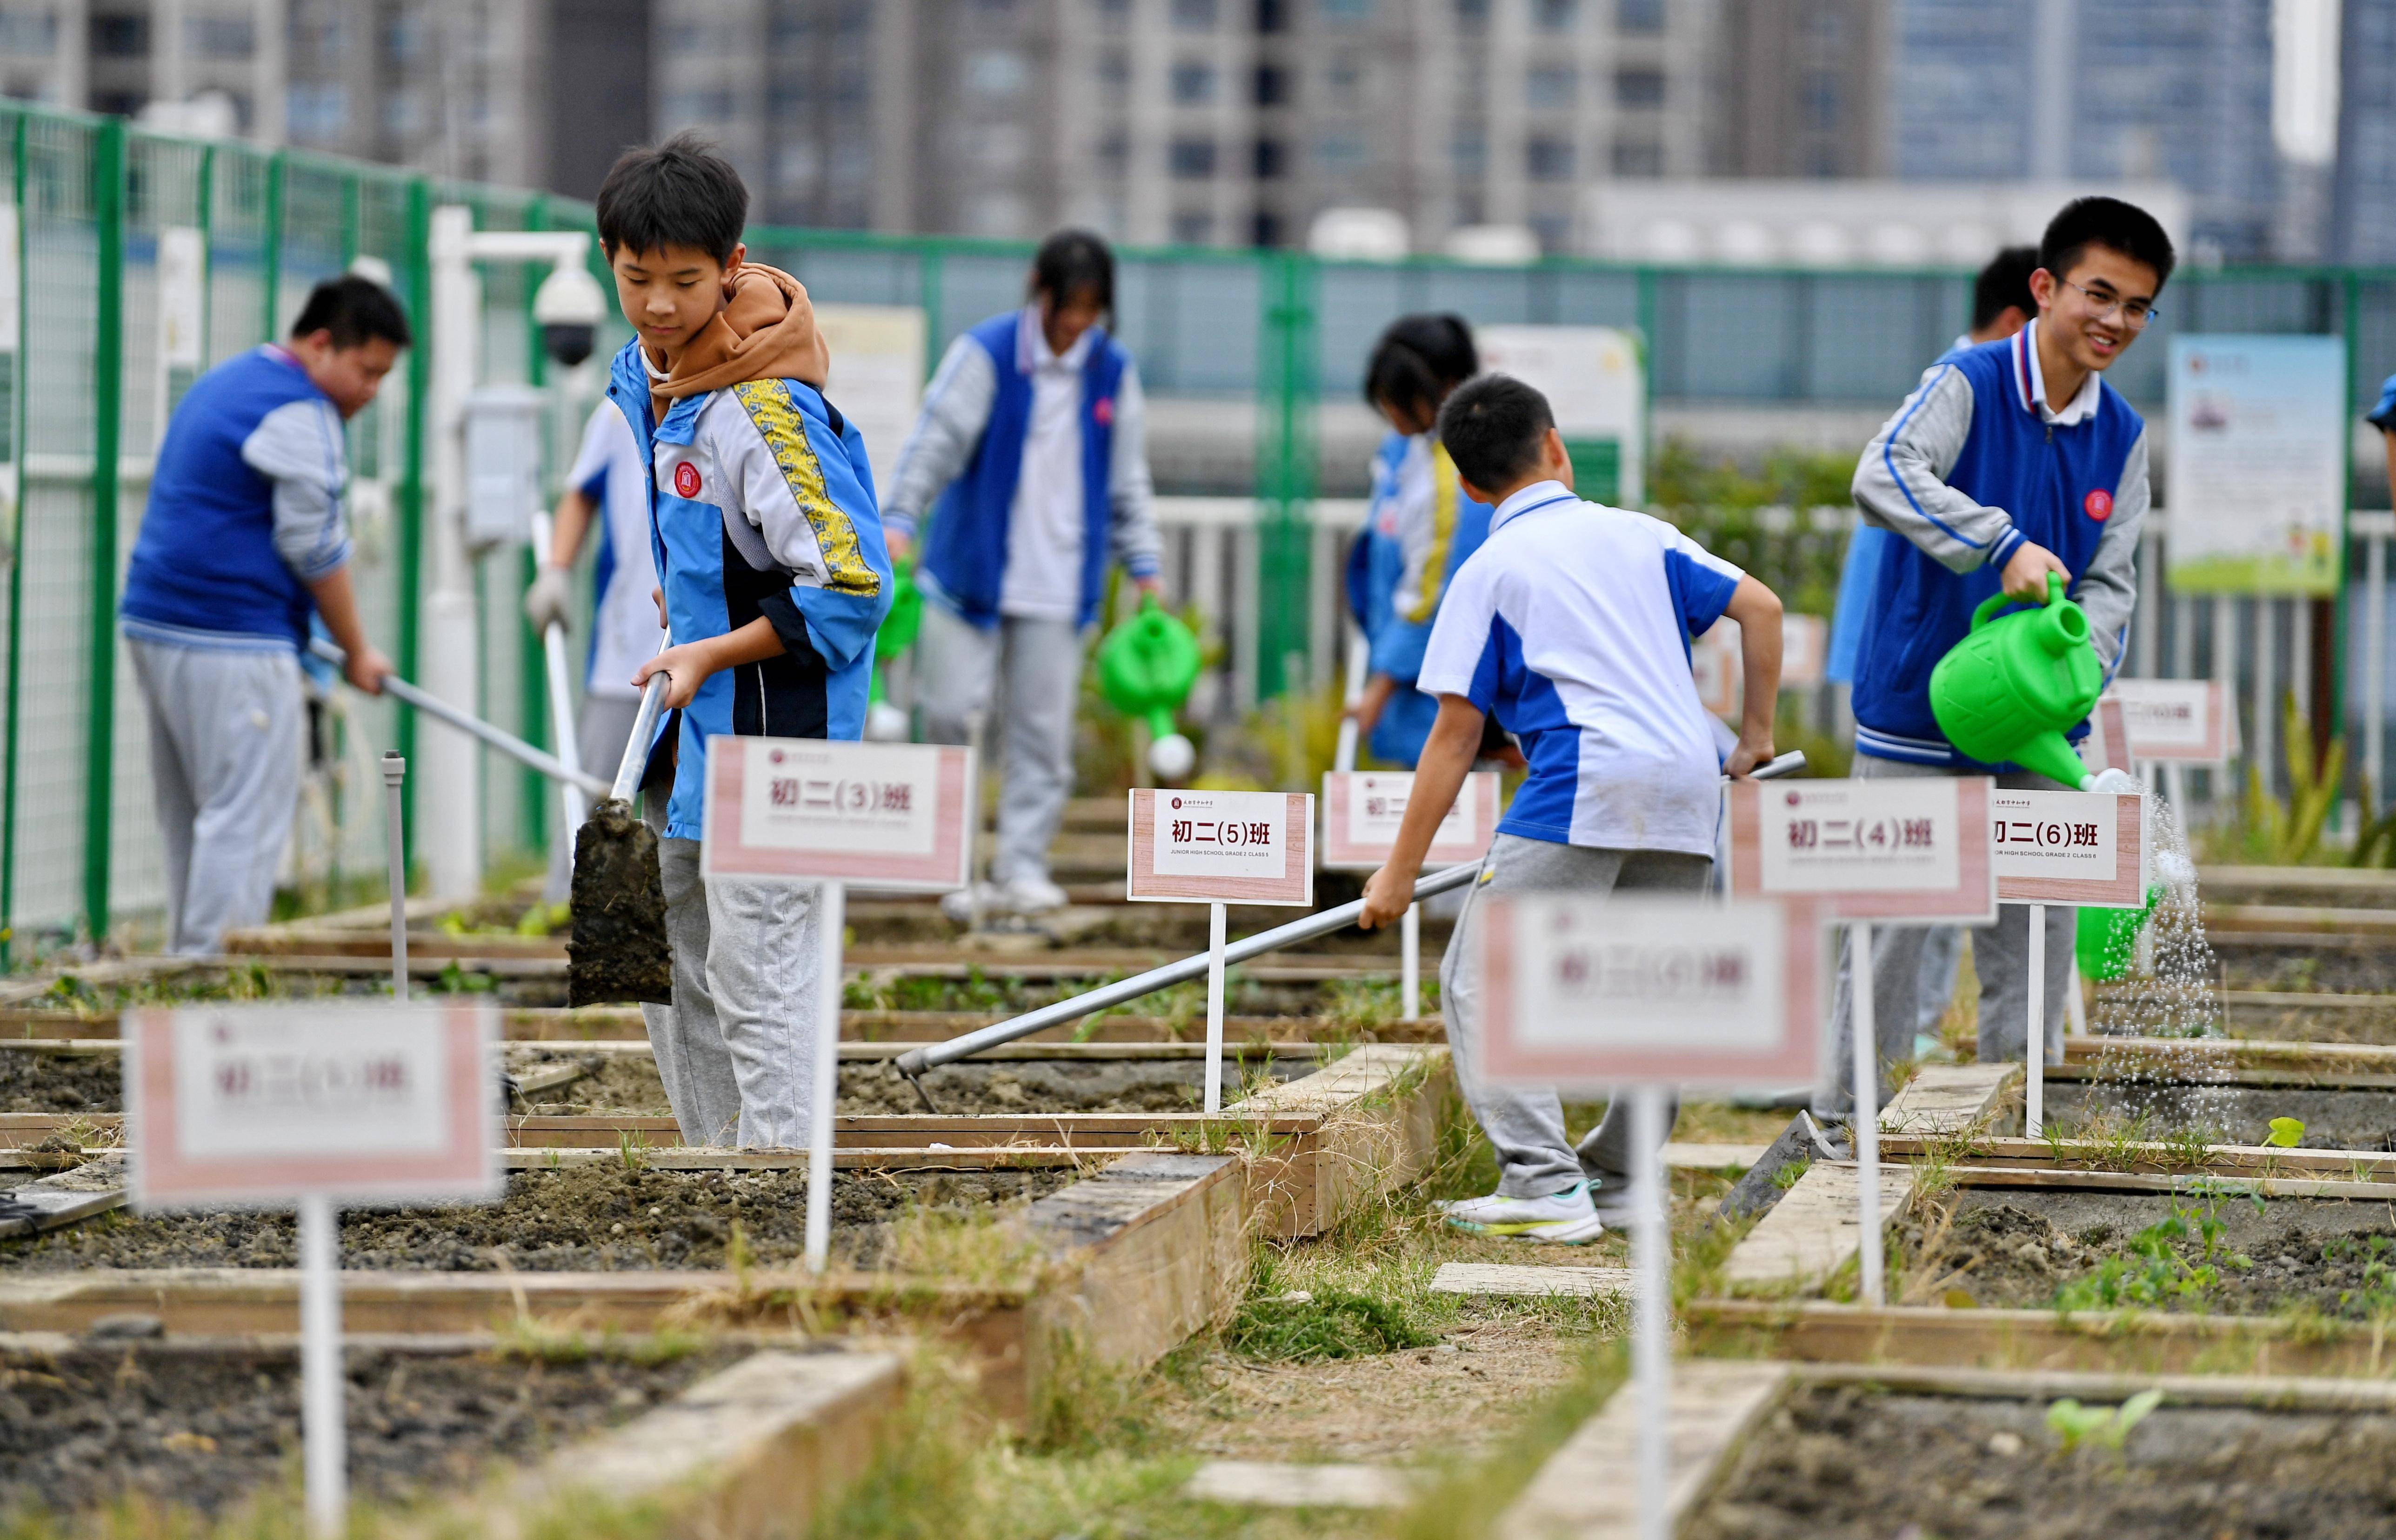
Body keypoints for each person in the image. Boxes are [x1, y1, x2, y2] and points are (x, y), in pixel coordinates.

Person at [1358, 374, 1785, 1241]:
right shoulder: (1643, 536)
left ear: (1470, 488)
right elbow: (1761, 608)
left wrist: (1396, 873)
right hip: (1686, 786)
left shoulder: (1489, 570)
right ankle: (1623, 1179)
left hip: (1585, 782)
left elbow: (1451, 737)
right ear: (1557, 446)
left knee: (1482, 979)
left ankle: (1545, 1184)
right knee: (1650, 992)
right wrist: (1755, 737)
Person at [1822, 197, 2170, 1124]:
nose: (2113, 321)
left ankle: (2014, 1114)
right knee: (1891, 929)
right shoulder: (1967, 382)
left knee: (2040, 924)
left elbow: (2112, 579)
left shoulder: (2123, 434)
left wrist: (2079, 671)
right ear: (2045, 287)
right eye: (2098, 294)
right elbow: (1882, 471)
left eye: (2137, 306)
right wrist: (1998, 543)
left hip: (2035, 719)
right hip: (1916, 705)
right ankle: (1845, 1124)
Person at [596, 133, 893, 1149]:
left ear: (731, 268)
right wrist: (688, 597)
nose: (661, 306)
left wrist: (712, 647)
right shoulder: (652, 378)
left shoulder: (764, 408)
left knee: (760, 964)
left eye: (686, 281)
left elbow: (854, 585)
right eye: (638, 280)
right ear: (610, 262)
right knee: (664, 951)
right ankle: (715, 1165)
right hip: (685, 738)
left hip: (774, 738)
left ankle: (777, 1189)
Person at [118, 274, 407, 955]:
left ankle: (187, 977)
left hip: (157, 621)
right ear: (319, 344)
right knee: (242, 816)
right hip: (229, 634)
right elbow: (313, 546)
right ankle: (214, 987)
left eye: (382, 377)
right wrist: (358, 650)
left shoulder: (232, 381)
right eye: (365, 371)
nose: (371, 391)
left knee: (195, 814)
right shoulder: (301, 412)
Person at [881, 230, 1164, 921]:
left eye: (1092, 308)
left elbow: (1128, 478)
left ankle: (1021, 866)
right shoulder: (986, 352)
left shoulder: (1111, 371)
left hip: (1058, 582)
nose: (1076, 321)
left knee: (1041, 732)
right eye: (1068, 304)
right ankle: (946, 863)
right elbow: (934, 442)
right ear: (1040, 291)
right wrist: (899, 519)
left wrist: (1145, 564)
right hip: (966, 570)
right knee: (948, 711)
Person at [1826, 244, 2040, 1046]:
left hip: (1921, 663)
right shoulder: (1963, 391)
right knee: (1920, 872)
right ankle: (1896, 1042)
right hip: (1927, 672)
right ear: (2025, 317)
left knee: (1936, 866)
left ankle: (1901, 1037)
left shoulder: (1961, 388)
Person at [1344, 314, 1493, 768]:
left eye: (1400, 393)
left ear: (1446, 386)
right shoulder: (1404, 450)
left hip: (1438, 683)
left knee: (1449, 799)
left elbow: (1433, 593)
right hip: (1401, 666)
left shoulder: (1460, 474)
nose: (1388, 407)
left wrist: (1381, 684)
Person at [524, 396, 659, 899]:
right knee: (597, 794)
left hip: (716, 651)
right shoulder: (622, 409)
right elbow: (582, 491)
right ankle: (568, 908)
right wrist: (556, 569)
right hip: (627, 647)